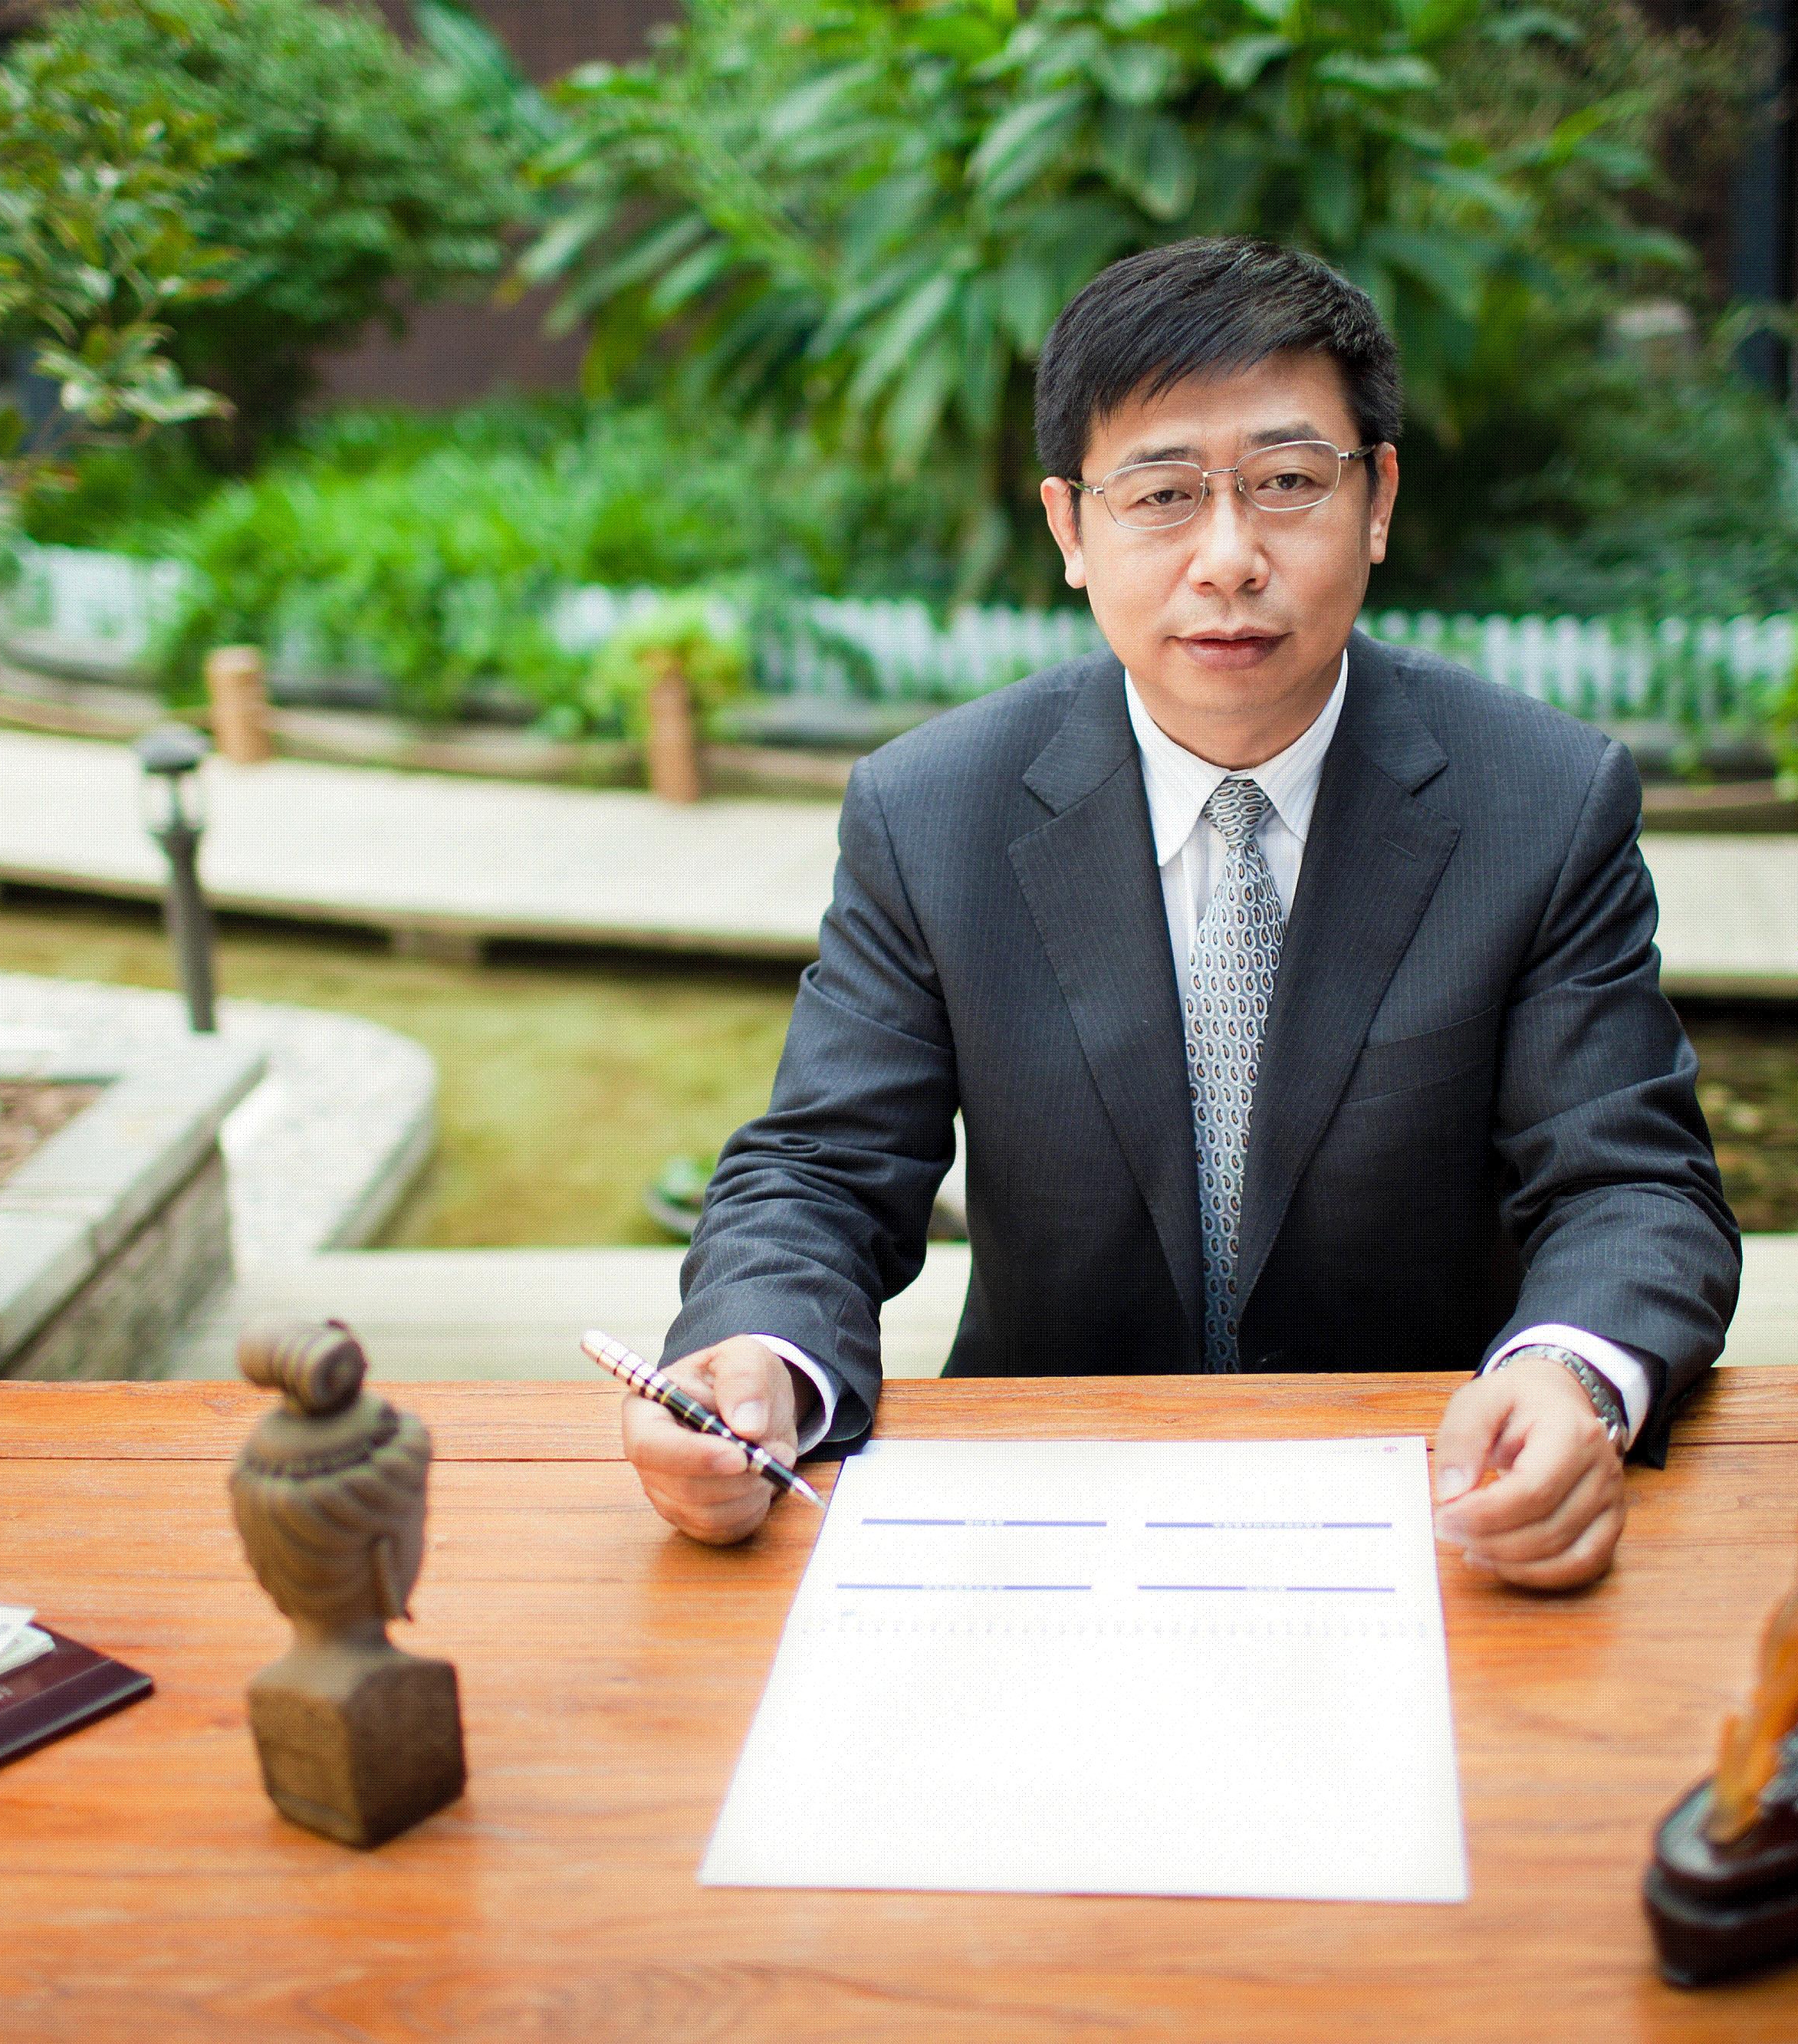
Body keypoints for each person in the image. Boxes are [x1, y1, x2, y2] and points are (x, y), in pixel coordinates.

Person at [625, 237, 1739, 1588]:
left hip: (1433, 1505)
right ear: (1070, 529)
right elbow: (820, 1169)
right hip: (1039, 1519)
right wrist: (756, 1356)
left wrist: (1570, 1374)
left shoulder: (1543, 800)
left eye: (1286, 483)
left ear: (1378, 501)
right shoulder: (933, 813)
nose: (1228, 558)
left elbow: (1631, 1183)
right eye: (1161, 495)